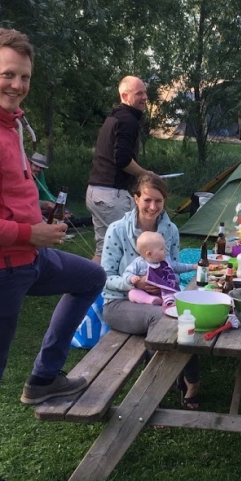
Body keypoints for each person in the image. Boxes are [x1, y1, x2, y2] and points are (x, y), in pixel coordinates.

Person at [0, 28, 107, 481]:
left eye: (25, 77)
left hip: (24, 259)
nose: (17, 85)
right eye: (8, 75)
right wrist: (28, 233)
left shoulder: (6, 121)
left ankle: (44, 377)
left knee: (90, 278)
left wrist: (38, 216)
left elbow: (8, 190)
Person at [100, 173, 203, 409]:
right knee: (167, 319)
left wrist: (165, 285)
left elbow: (172, 269)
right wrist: (134, 283)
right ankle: (153, 395)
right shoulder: (117, 230)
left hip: (161, 299)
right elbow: (104, 277)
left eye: (158, 201)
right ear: (136, 199)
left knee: (189, 313)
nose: (153, 207)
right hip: (119, 303)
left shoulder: (171, 230)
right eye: (147, 200)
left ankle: (188, 379)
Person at [85, 76, 151, 264]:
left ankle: (89, 281)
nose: (145, 97)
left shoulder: (115, 117)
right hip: (111, 196)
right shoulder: (128, 120)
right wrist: (146, 175)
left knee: (103, 249)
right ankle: (130, 284)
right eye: (139, 93)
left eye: (145, 93)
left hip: (95, 192)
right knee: (131, 247)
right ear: (124, 96)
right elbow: (122, 160)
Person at [123, 230, 194, 308]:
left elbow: (178, 266)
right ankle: (150, 299)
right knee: (132, 293)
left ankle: (168, 303)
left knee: (171, 294)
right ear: (149, 253)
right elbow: (127, 273)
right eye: (162, 249)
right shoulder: (139, 263)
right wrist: (132, 277)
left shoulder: (166, 261)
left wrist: (193, 266)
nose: (165, 251)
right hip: (144, 292)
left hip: (163, 291)